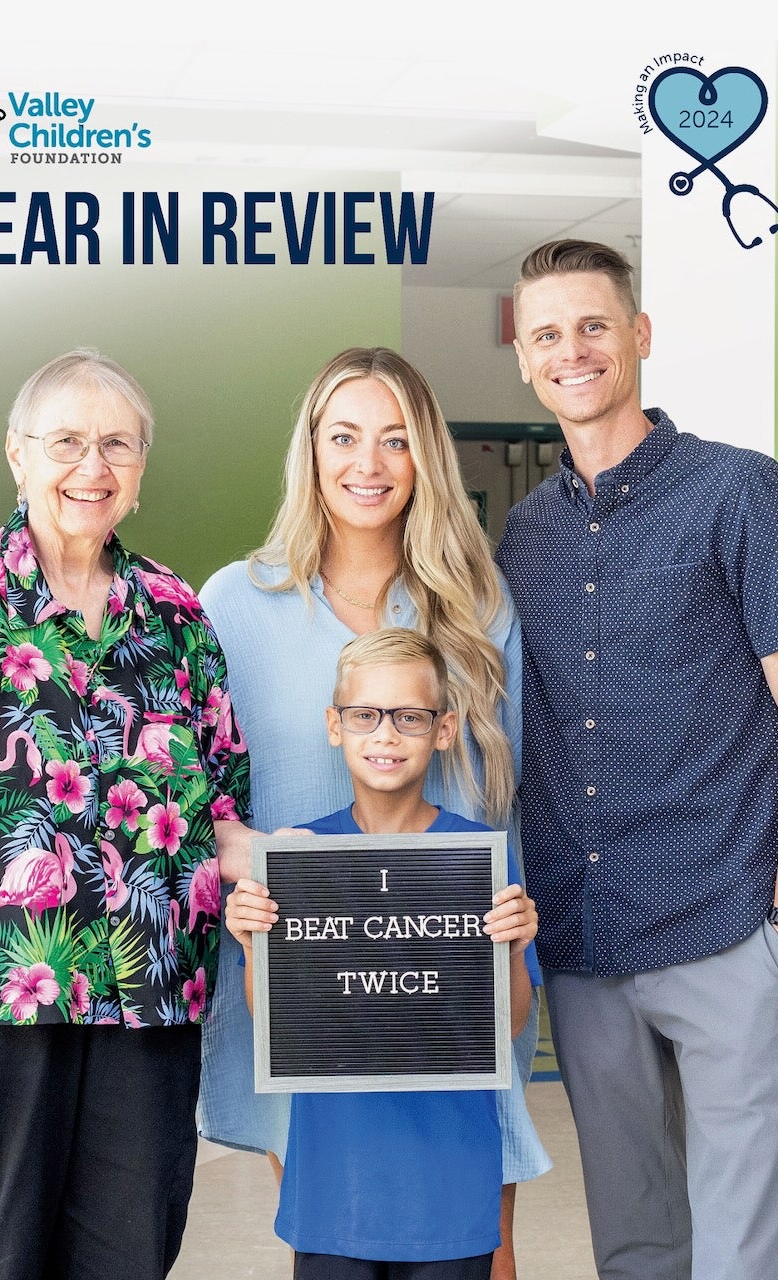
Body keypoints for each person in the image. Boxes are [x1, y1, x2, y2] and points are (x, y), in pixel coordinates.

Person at [0, 349, 250, 1280]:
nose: (93, 467)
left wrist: (362, 874)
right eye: (66, 441)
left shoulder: (177, 618)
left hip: (147, 1018)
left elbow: (224, 819)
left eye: (117, 444)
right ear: (17, 457)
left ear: (142, 470)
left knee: (131, 1254)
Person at [495, 239, 778, 1280]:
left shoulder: (741, 492)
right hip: (590, 944)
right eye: (548, 333)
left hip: (732, 924)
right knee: (638, 1248)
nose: (574, 351)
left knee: (744, 1256)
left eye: (595, 325)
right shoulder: (520, 536)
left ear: (639, 336)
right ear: (523, 357)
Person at [197, 346, 550, 1279]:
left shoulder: (476, 605)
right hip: (305, 989)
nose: (369, 463)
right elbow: (190, 795)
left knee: (484, 1245)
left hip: (454, 979)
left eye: (396, 440)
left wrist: (513, 945)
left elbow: (500, 799)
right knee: (336, 1236)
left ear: (425, 457)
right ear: (309, 452)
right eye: (344, 436)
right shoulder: (235, 604)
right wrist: (247, 862)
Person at [226, 628, 540, 1280]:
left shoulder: (477, 859)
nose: (386, 735)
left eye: (410, 717)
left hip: (450, 1178)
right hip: (333, 1182)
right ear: (334, 727)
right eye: (365, 715)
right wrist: (255, 940)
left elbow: (507, 1025)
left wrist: (512, 949)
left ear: (445, 729)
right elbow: (276, 1023)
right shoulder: (299, 858)